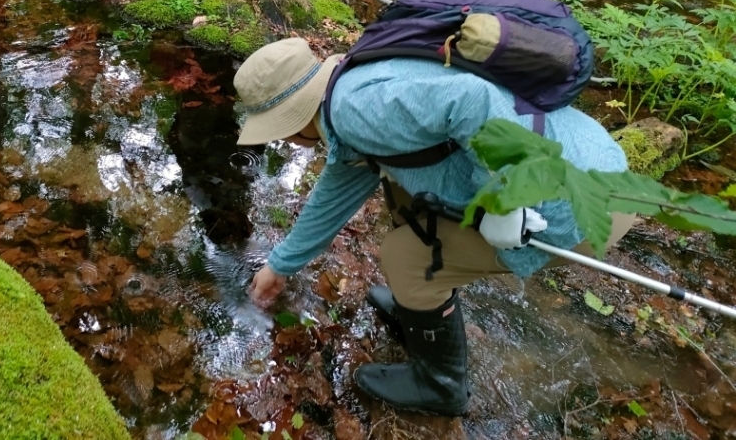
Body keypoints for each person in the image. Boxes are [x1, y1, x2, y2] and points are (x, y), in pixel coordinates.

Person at [232, 37, 636, 415]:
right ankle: (419, 307)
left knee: (405, 256)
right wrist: (280, 265)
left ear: (292, 114)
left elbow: (474, 100)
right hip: (596, 161)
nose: (280, 138)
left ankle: (441, 384)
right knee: (404, 203)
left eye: (276, 126)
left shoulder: (351, 110)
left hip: (579, 208)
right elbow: (335, 195)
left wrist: (506, 200)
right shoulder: (356, 82)